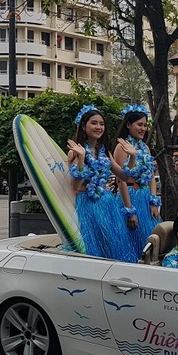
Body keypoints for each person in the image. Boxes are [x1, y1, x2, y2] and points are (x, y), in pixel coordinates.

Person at [66, 104, 138, 261]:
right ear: (84, 126)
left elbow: (124, 177)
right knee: (96, 248)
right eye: (94, 123)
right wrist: (81, 159)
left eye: (101, 124)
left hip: (107, 203)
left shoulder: (104, 152)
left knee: (114, 245)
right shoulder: (75, 151)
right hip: (88, 205)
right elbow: (75, 186)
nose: (98, 127)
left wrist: (132, 157)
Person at [114, 104, 161, 260]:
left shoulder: (146, 148)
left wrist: (154, 200)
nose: (143, 128)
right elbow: (121, 180)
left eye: (145, 125)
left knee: (150, 239)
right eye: (139, 125)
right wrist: (130, 210)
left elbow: (151, 177)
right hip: (130, 197)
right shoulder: (121, 148)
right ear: (128, 125)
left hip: (145, 198)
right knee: (131, 242)